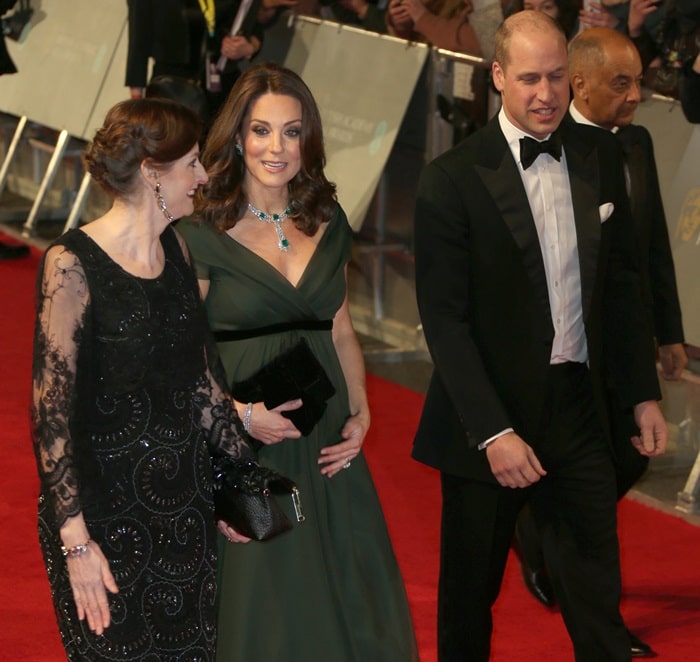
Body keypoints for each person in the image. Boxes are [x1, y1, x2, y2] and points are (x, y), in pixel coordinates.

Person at [412, 10, 668, 660]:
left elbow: (622, 286)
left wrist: (641, 392)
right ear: (498, 76)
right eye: (529, 78)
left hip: (577, 412)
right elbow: (445, 322)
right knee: (469, 603)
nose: (546, 93)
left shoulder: (600, 154)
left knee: (596, 598)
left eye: (557, 77)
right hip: (489, 426)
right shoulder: (450, 181)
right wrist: (493, 433)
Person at [177, 62, 418, 660]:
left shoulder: (327, 222)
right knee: (265, 597)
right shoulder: (201, 231)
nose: (275, 148)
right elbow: (180, 354)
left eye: (290, 132)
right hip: (245, 436)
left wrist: (361, 413)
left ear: (307, 138)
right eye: (261, 131)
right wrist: (237, 416)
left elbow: (340, 330)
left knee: (348, 589)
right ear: (237, 137)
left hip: (327, 435)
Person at [30, 97, 256, 660]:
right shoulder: (72, 263)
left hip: (183, 507)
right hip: (103, 516)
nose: (202, 178)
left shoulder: (175, 248)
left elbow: (199, 381)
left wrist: (241, 480)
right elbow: (50, 415)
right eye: (193, 164)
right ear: (155, 173)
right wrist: (76, 544)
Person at [514, 26, 687, 658]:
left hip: (627, 337)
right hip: (574, 350)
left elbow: (651, 248)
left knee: (634, 456)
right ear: (578, 84)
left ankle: (539, 527)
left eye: (640, 80)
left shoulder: (635, 144)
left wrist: (669, 331)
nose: (638, 95)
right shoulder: (552, 149)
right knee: (592, 482)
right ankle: (598, 620)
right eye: (623, 82)